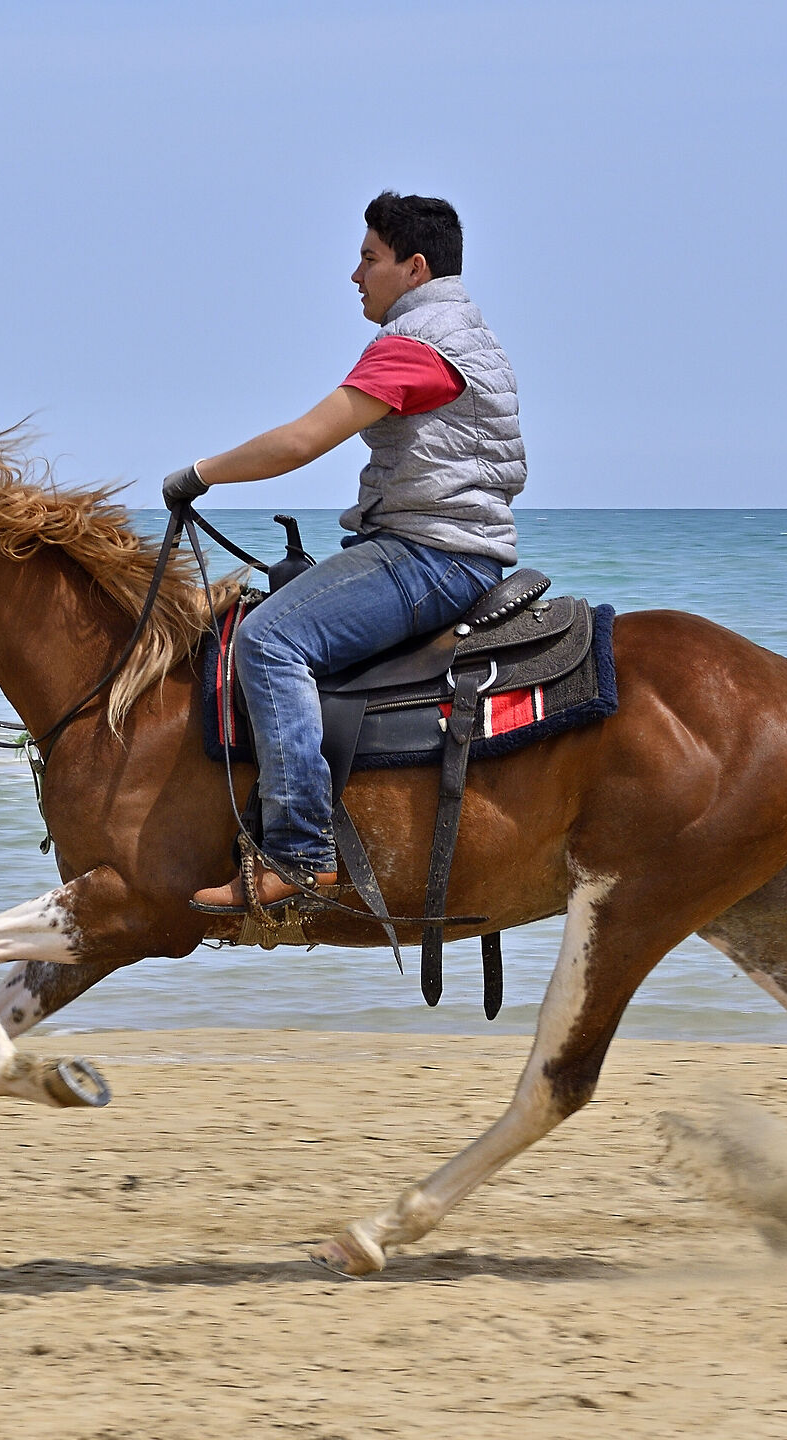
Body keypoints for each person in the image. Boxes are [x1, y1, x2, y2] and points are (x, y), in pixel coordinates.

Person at [170, 191, 526, 911]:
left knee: (269, 639)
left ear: (414, 267)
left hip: (433, 555)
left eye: (369, 259)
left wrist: (197, 475)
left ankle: (299, 854)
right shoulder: (465, 337)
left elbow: (304, 440)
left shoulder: (416, 349)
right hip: (446, 546)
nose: (355, 275)